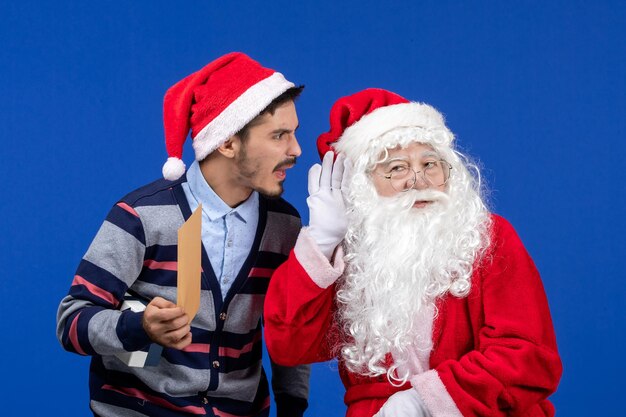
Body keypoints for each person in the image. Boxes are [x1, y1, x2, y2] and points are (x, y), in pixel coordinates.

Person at [264, 88, 562, 417]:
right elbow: (289, 346)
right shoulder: (349, 255)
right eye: (396, 168)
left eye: (430, 163)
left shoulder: (487, 237)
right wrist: (321, 242)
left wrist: (422, 401)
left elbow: (527, 355)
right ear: (362, 186)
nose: (418, 180)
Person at [57, 52, 311, 417]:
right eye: (279, 135)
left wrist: (293, 406)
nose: (295, 150)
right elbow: (72, 321)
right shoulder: (143, 216)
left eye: (294, 133)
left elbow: (288, 329)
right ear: (226, 142)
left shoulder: (284, 227)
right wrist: (140, 326)